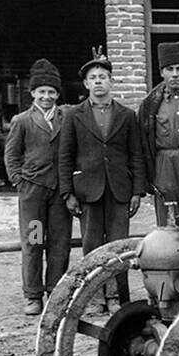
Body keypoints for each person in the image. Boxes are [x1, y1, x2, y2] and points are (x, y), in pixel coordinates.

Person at [59, 48, 145, 307]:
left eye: (103, 76)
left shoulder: (127, 115)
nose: (98, 81)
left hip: (120, 190)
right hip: (88, 191)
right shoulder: (74, 115)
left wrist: (137, 191)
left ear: (111, 82)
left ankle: (118, 297)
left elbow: (136, 155)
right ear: (86, 84)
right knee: (92, 246)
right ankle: (95, 298)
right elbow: (65, 156)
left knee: (119, 248)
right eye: (93, 77)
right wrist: (68, 193)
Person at [3, 58, 73, 316]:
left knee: (60, 242)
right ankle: (33, 295)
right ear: (32, 93)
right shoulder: (22, 120)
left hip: (59, 193)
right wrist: (19, 181)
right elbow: (11, 156)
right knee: (34, 242)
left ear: (57, 94)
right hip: (33, 194)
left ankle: (56, 293)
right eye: (41, 92)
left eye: (51, 92)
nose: (46, 97)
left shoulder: (66, 117)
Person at [137, 42, 179, 227]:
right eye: (170, 69)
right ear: (162, 72)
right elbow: (141, 142)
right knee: (168, 222)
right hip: (164, 166)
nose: (175, 73)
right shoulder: (151, 103)